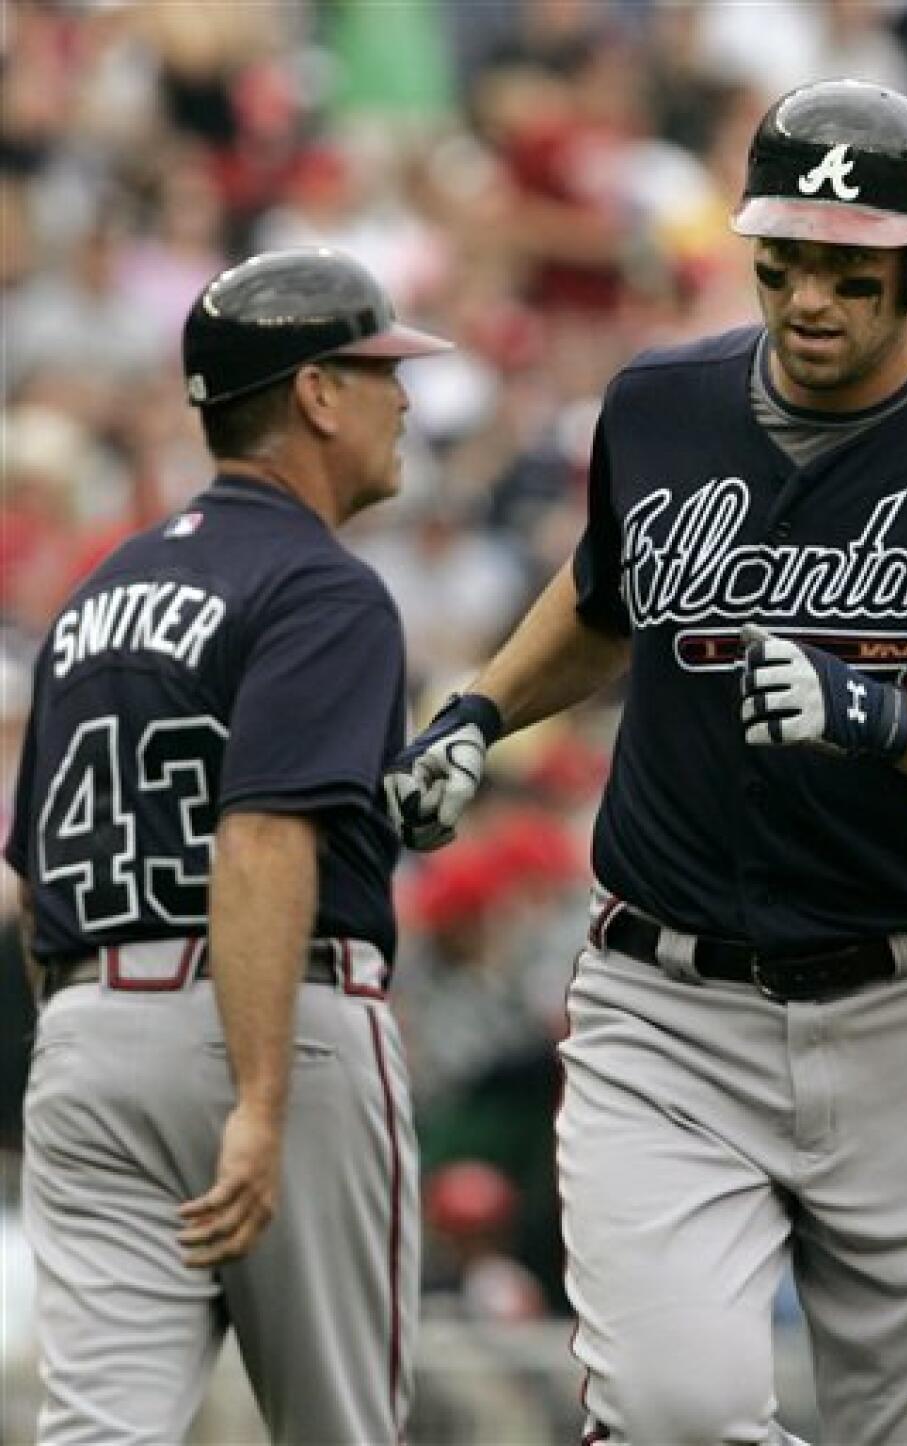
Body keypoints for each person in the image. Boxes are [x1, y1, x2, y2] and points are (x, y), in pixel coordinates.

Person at [386, 80, 907, 1446]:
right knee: (671, 1416)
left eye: (849, 271)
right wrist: (479, 710)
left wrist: (887, 720)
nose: (809, 298)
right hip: (666, 1008)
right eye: (783, 259)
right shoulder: (665, 404)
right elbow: (611, 589)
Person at [6, 246, 452, 1444]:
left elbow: (26, 872)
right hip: (271, 1028)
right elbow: (259, 842)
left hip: (89, 1037)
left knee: (101, 1433)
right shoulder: (324, 587)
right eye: (379, 372)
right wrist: (255, 1097)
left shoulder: (96, 594)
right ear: (316, 394)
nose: (403, 399)